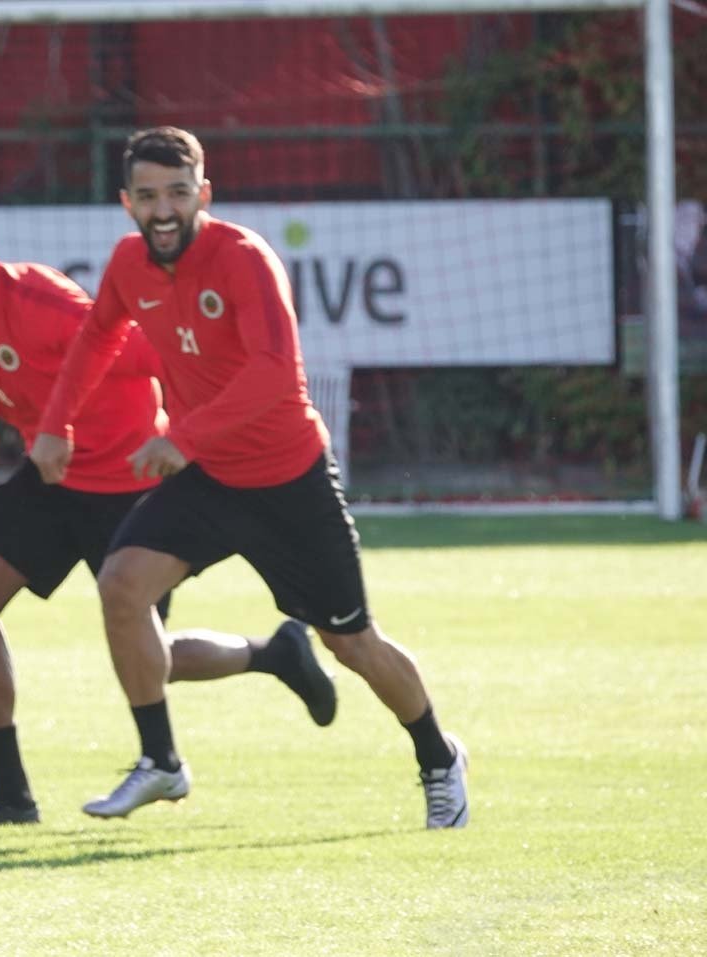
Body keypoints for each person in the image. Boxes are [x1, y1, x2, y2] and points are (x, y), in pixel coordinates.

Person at [31, 127, 469, 828]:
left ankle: (439, 759)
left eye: (178, 193)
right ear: (127, 202)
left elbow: (275, 373)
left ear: (203, 194)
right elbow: (97, 336)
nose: (164, 209)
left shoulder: (243, 257)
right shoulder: (127, 262)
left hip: (288, 480)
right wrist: (57, 423)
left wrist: (183, 436)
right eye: (148, 195)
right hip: (208, 477)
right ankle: (161, 762)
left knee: (352, 643)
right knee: (122, 585)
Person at [0, 195, 338, 828]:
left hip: (131, 479)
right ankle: (12, 799)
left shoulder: (40, 302)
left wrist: (191, 438)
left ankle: (272, 655)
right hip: (51, 477)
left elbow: (152, 353)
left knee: (147, 655)